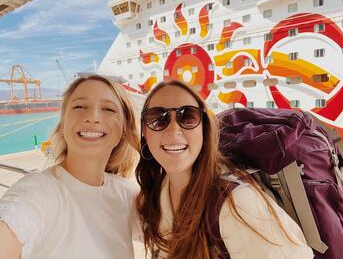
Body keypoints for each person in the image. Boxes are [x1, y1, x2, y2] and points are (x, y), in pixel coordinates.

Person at [136, 80, 313, 259]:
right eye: (158, 119)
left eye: (188, 117)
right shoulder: (157, 192)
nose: (173, 130)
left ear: (205, 128)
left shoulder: (236, 202)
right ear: (144, 130)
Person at [0, 74, 141, 259]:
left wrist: (147, 152)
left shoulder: (127, 193)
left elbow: (176, 230)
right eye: (79, 106)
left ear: (125, 128)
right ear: (63, 124)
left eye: (108, 109)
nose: (92, 117)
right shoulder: (38, 191)